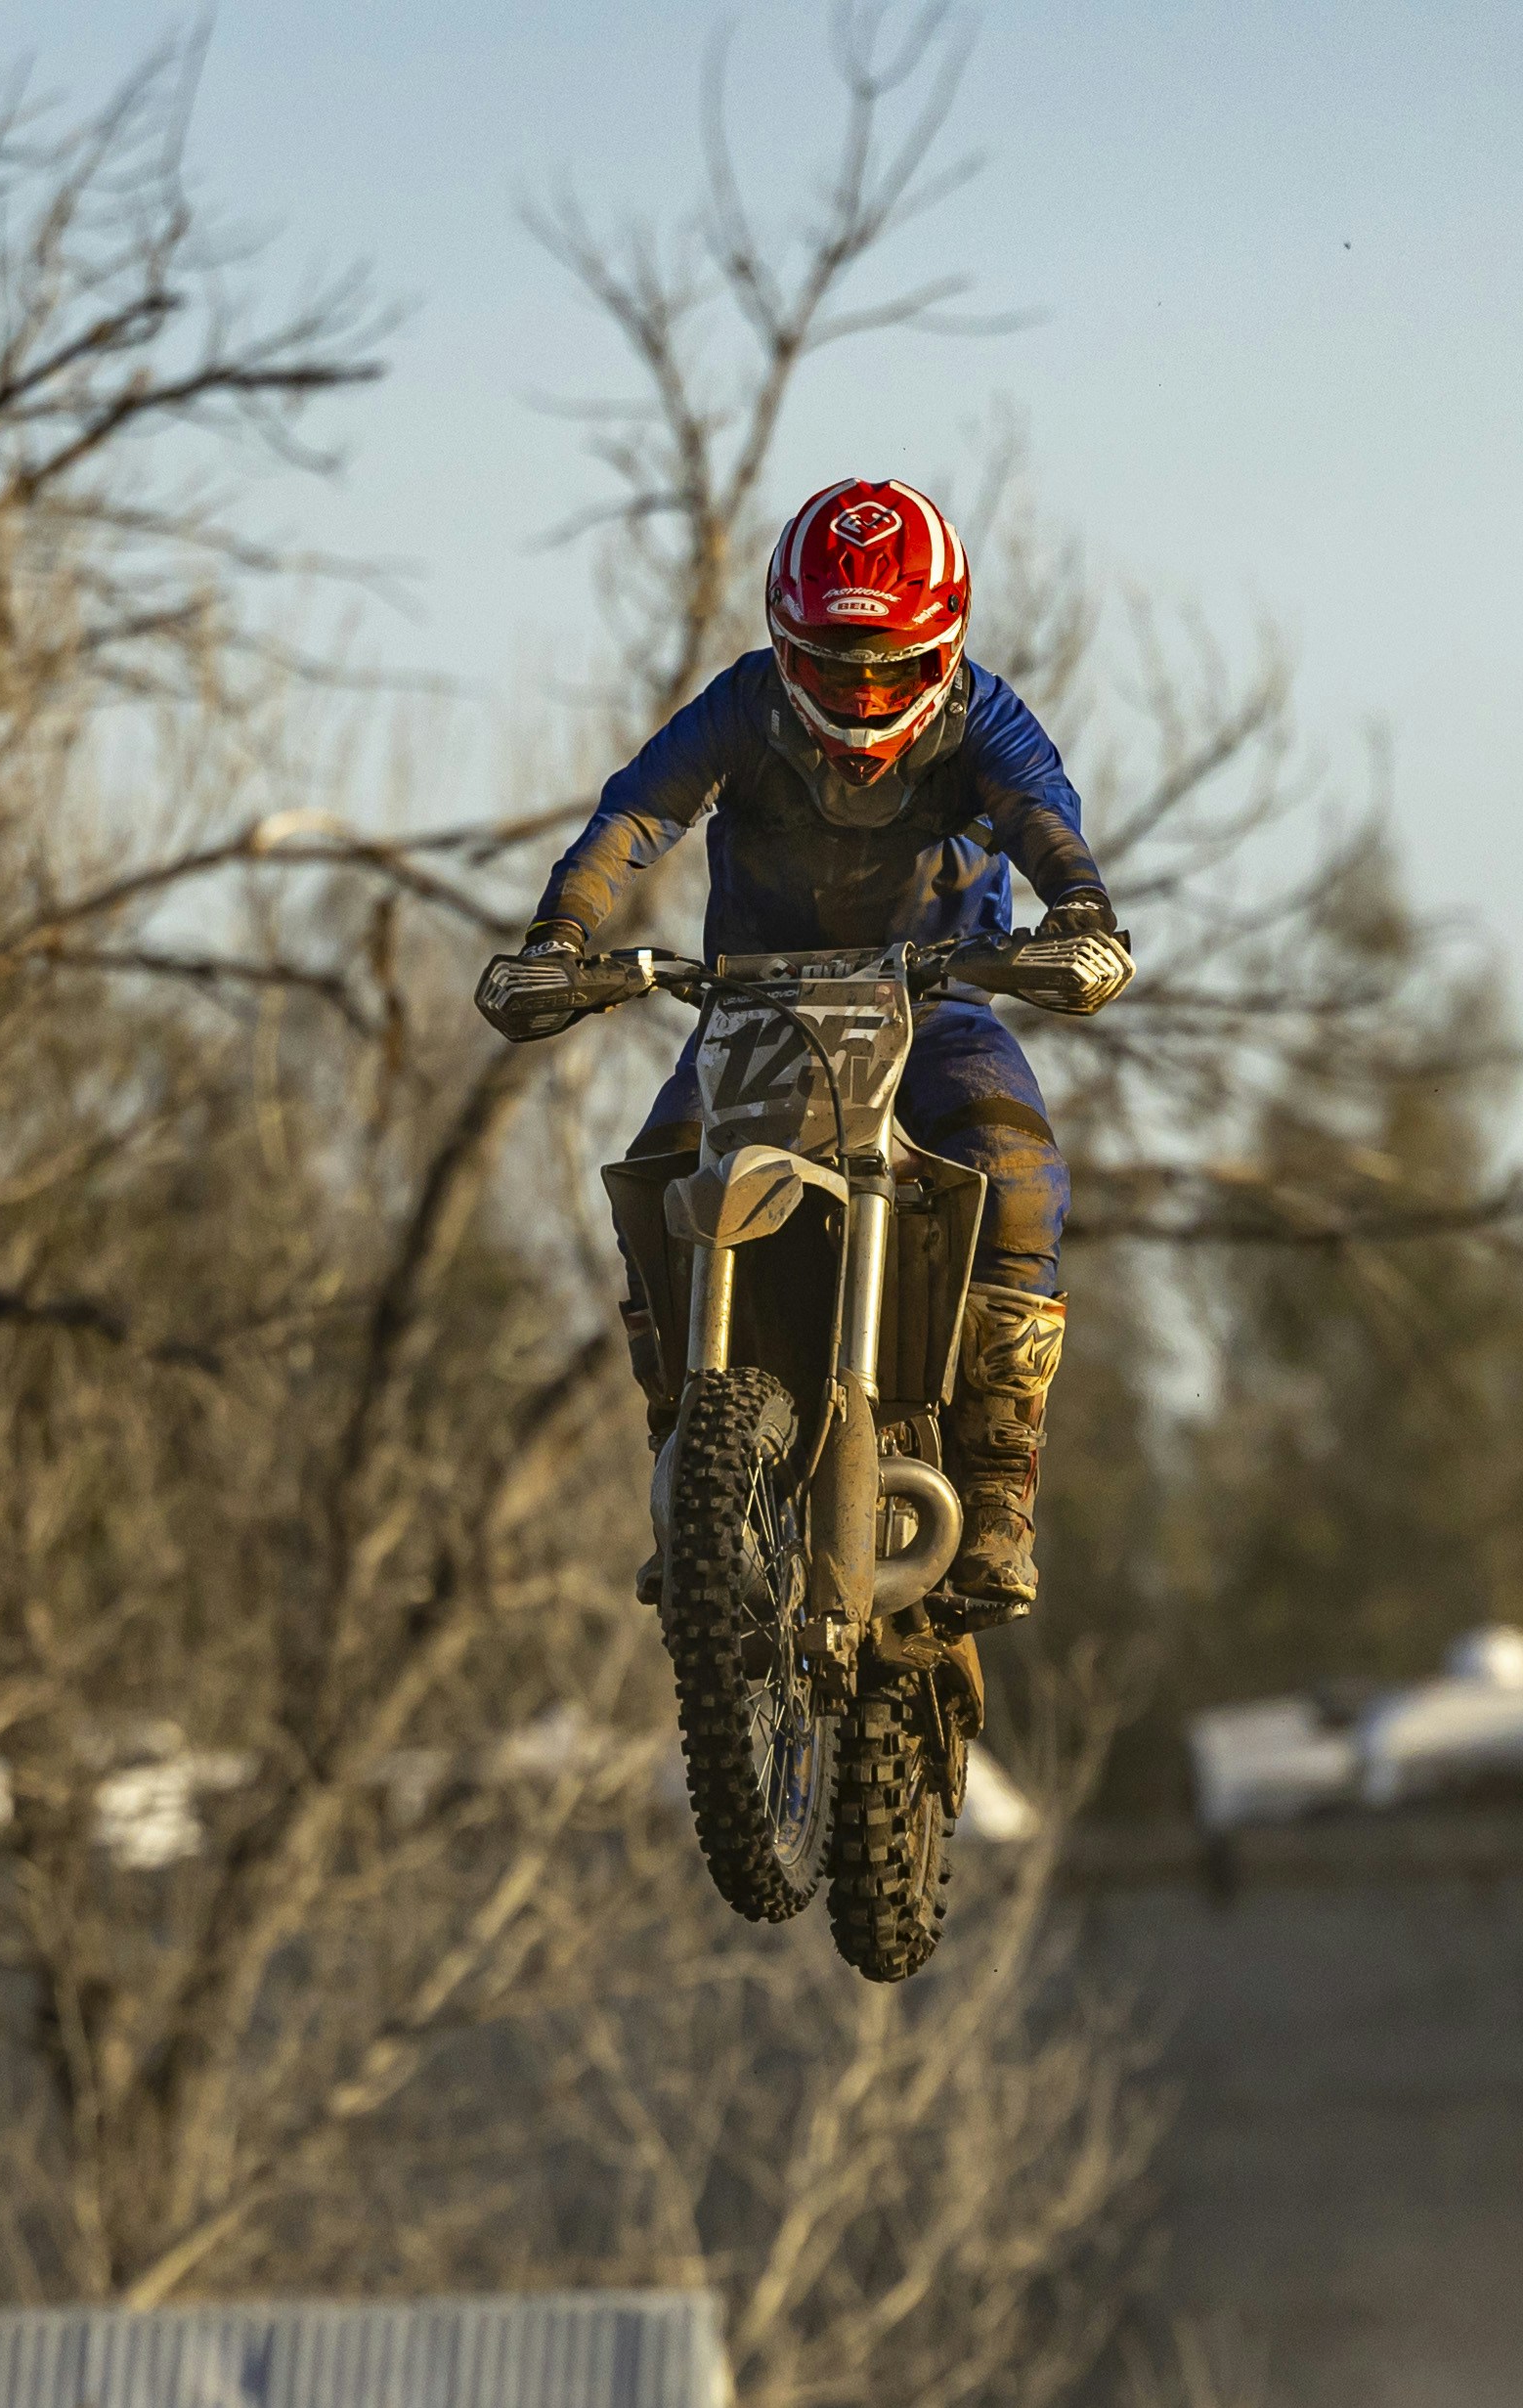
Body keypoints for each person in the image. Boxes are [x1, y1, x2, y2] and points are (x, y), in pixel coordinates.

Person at [473, 478, 1134, 1624]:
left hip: (938, 1008)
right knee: (657, 1180)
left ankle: (997, 1487)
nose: (865, 695)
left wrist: (1079, 910)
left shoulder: (987, 719)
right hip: (755, 1013)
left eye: (890, 668)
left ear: (946, 651)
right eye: (837, 669)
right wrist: (559, 936)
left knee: (1020, 1176)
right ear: (787, 652)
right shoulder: (741, 709)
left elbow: (1041, 814)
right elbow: (637, 814)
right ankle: (690, 1467)